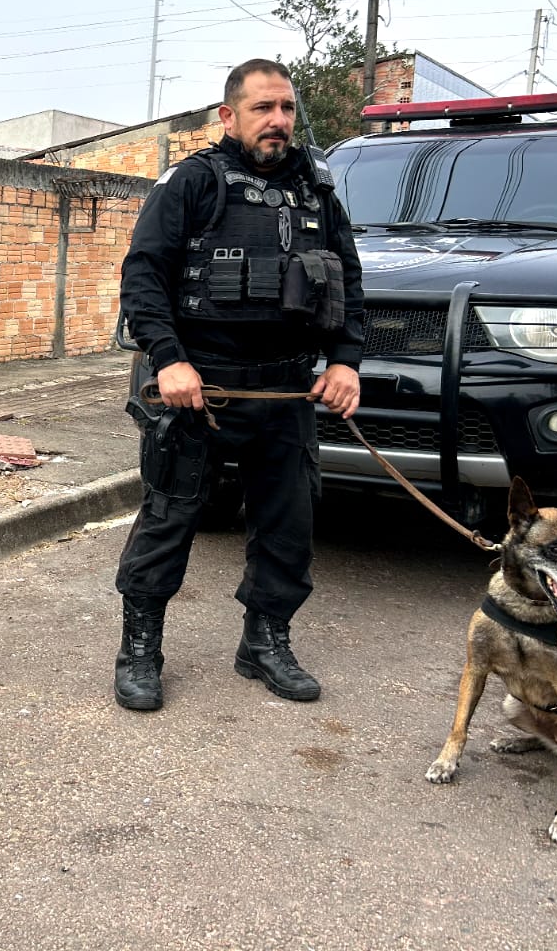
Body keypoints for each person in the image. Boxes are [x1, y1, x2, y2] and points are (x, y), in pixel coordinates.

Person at [114, 58, 364, 711]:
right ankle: (140, 648)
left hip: (286, 389)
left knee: (288, 524)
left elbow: (349, 280)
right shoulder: (193, 182)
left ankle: (265, 642)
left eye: (286, 108)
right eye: (262, 108)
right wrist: (168, 359)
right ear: (229, 116)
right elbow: (144, 274)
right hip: (199, 389)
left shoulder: (316, 189)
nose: (278, 120)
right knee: (170, 519)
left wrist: (344, 362)